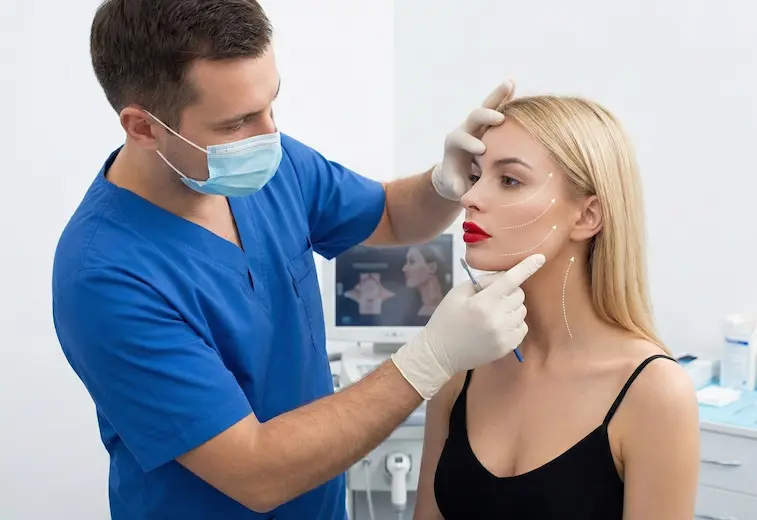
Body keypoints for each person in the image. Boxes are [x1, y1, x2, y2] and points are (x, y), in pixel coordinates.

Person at [50, 1, 548, 519]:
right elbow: (255, 473)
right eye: (237, 122)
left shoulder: (270, 166)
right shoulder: (105, 278)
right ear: (143, 127)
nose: (269, 135)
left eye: (271, 104)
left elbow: (391, 217)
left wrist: (443, 184)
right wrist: (430, 359)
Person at [413, 95, 700, 519]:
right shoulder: (461, 362)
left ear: (587, 216)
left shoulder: (654, 393)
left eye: (509, 180)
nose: (470, 197)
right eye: (475, 176)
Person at [402, 245, 447, 316]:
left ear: (432, 267)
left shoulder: (441, 308)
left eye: (412, 262)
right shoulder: (416, 308)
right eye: (406, 262)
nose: (404, 269)